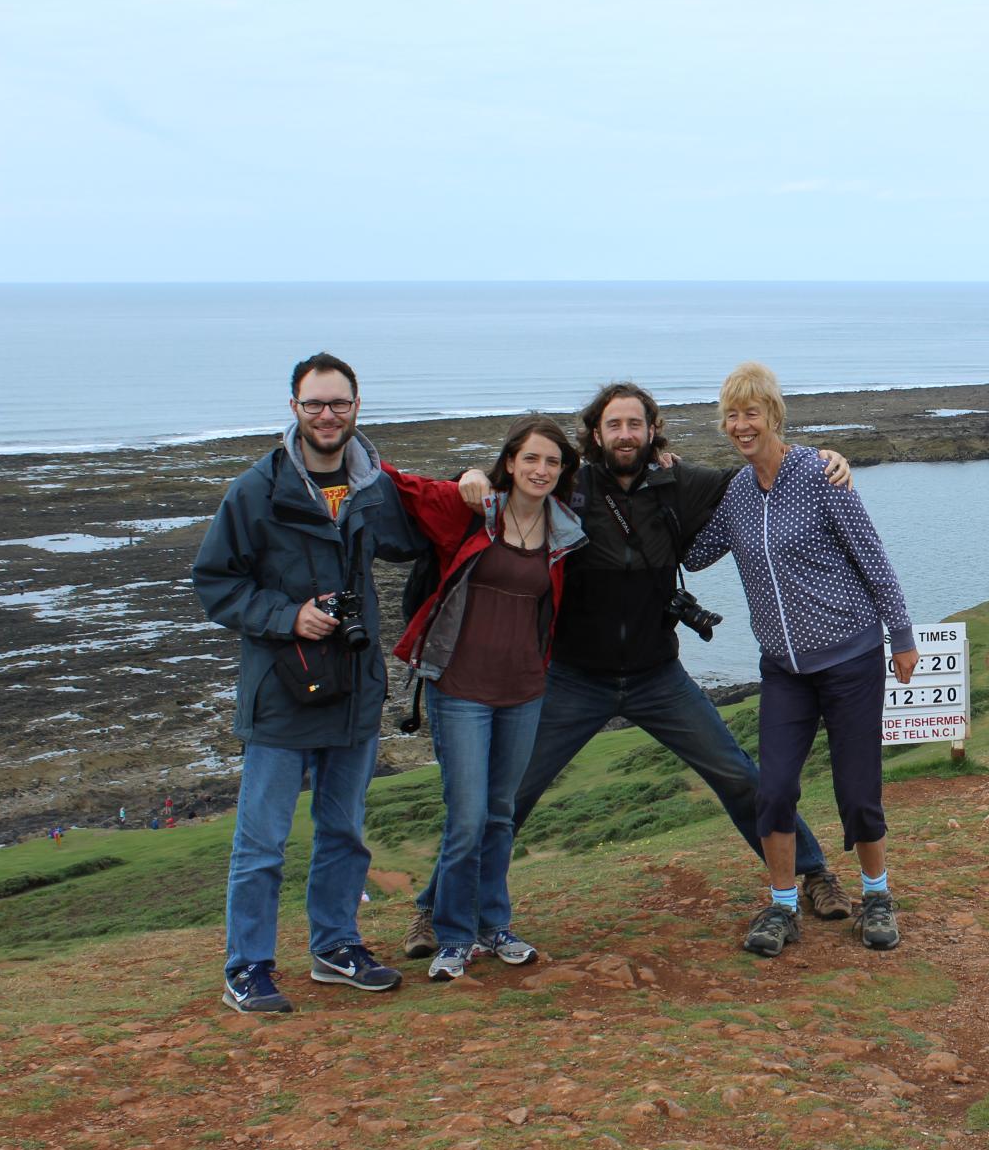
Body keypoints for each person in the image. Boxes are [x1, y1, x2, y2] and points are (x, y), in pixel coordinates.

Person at [402, 383, 859, 959]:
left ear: (652, 430)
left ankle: (813, 874)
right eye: (614, 425)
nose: (625, 435)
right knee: (505, 800)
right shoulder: (566, 489)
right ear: (595, 434)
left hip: (656, 677)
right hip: (573, 679)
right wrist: (471, 473)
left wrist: (819, 460)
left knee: (739, 776)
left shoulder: (680, 485)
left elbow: (762, 472)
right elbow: (509, 482)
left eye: (635, 425)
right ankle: (430, 906)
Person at [193, 352, 424, 1014]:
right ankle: (247, 966)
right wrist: (287, 615)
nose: (328, 416)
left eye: (340, 404)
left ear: (357, 408)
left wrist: (472, 486)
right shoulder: (256, 492)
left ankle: (335, 947)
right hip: (281, 688)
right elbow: (215, 584)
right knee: (262, 842)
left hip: (353, 685)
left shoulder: (374, 487)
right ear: (293, 409)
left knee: (344, 831)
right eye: (315, 404)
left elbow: (417, 539)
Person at [685, 362, 917, 957]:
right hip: (783, 670)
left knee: (858, 791)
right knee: (775, 790)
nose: (741, 425)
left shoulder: (819, 473)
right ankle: (783, 906)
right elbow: (695, 552)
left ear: (774, 415)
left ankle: (878, 896)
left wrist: (902, 636)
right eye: (732, 415)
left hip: (851, 659)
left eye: (751, 413)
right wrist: (659, 489)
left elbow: (873, 556)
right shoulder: (736, 494)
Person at [383, 414, 586, 981]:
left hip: (524, 690)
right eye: (531, 459)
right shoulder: (474, 511)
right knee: (466, 818)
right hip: (460, 690)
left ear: (563, 470)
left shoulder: (566, 528)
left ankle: (494, 925)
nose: (541, 470)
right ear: (510, 463)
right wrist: (459, 479)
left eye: (552, 461)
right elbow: (402, 485)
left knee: (500, 815)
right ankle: (452, 935)